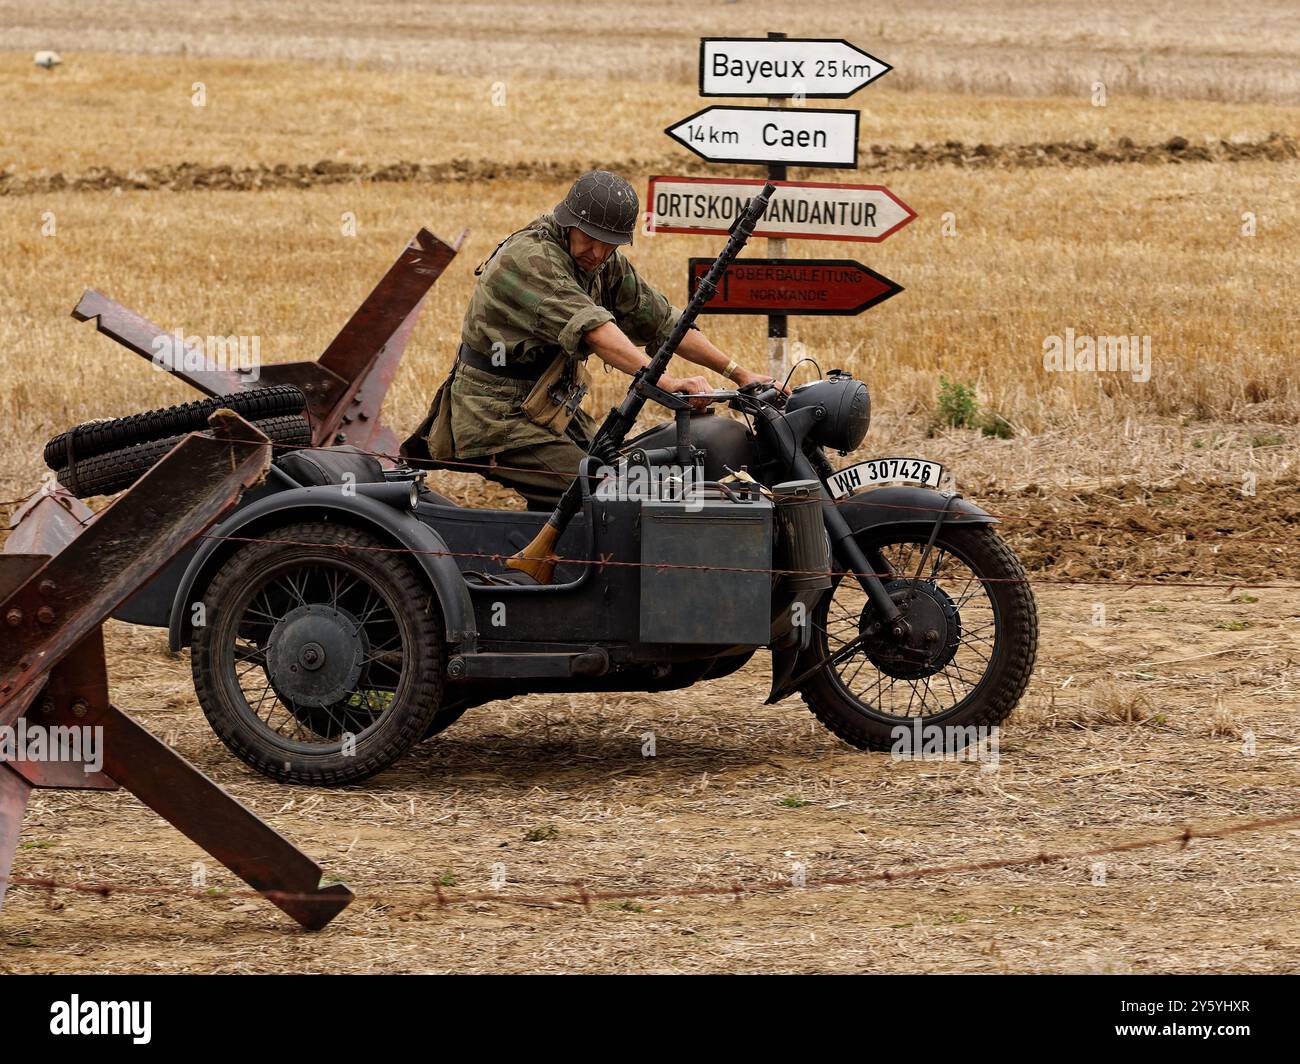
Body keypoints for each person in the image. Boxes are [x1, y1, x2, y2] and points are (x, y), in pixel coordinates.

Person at [401, 170, 776, 509]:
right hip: (495, 418)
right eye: (590, 239)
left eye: (609, 244)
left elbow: (664, 323)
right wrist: (666, 383)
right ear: (569, 223)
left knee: (623, 479)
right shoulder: (530, 259)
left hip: (548, 409)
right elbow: (596, 331)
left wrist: (738, 374)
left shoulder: (600, 261)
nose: (597, 253)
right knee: (602, 494)